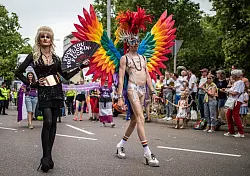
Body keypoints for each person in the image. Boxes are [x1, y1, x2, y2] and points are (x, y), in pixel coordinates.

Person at [15, 26, 88, 172]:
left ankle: (48, 157)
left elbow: (65, 76)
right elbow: (18, 72)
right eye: (42, 36)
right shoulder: (33, 56)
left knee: (53, 123)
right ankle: (45, 156)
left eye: (48, 37)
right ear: (39, 39)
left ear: (51, 39)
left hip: (57, 91)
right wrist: (33, 84)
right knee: (47, 121)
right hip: (43, 92)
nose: (45, 39)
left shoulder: (56, 58)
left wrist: (80, 67)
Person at [116, 35, 159, 167]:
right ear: (127, 43)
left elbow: (147, 76)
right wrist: (119, 97)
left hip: (143, 90)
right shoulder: (124, 59)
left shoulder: (143, 58)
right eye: (132, 42)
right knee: (141, 118)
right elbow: (121, 78)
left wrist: (153, 91)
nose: (135, 44)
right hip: (132, 89)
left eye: (137, 42)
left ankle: (120, 145)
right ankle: (147, 153)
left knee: (134, 120)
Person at [224, 69, 245, 138]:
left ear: (236, 76)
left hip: (237, 100)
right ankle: (231, 131)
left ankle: (241, 132)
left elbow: (235, 93)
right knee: (228, 115)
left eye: (232, 75)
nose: (231, 76)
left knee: (235, 115)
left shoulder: (239, 82)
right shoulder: (236, 82)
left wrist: (227, 91)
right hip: (234, 100)